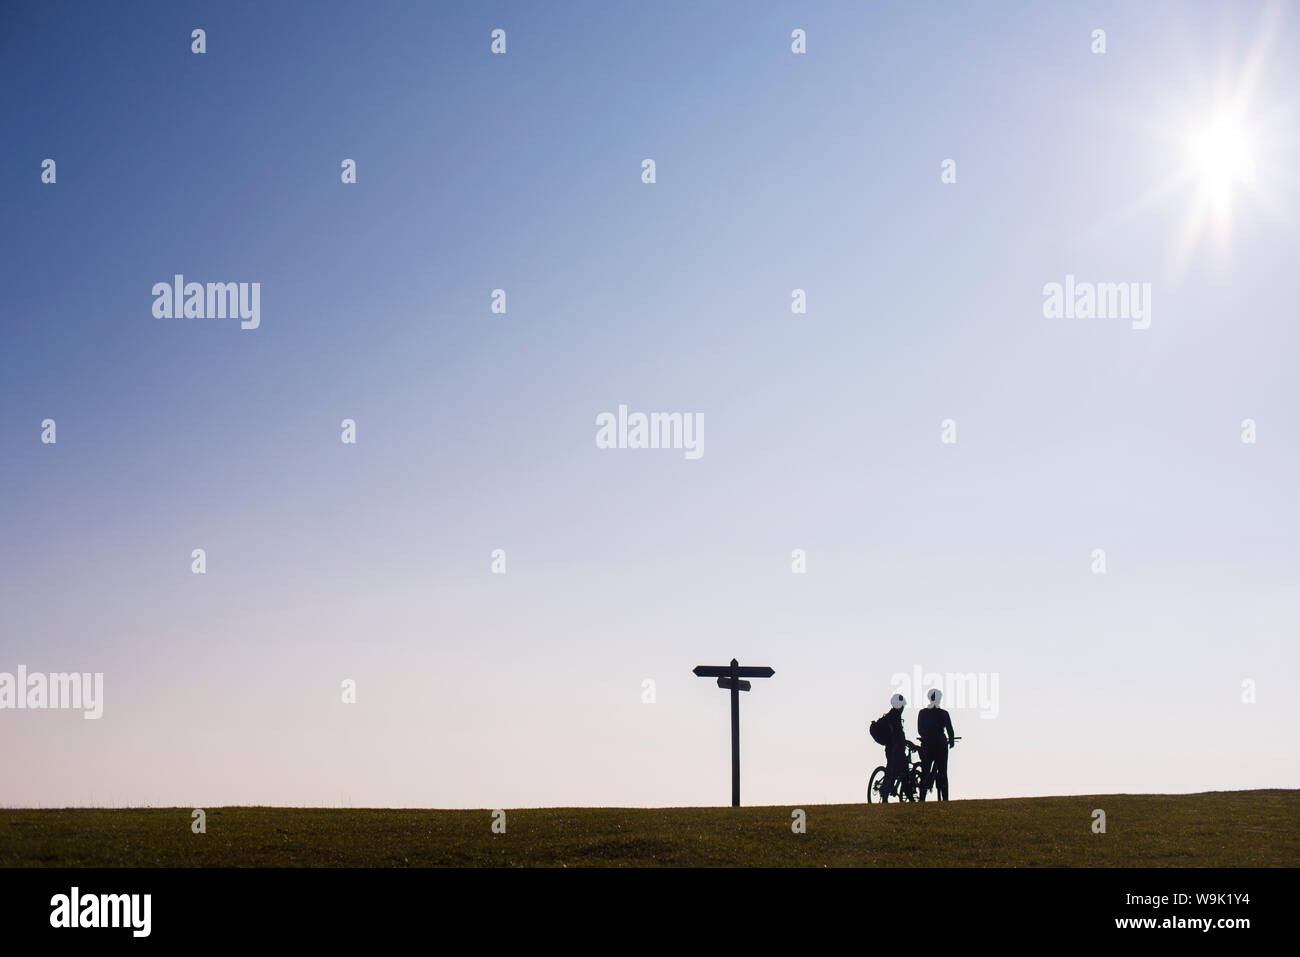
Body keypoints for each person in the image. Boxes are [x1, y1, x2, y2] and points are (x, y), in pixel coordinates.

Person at [917, 688, 956, 801]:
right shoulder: (944, 714)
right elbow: (950, 730)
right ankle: (945, 798)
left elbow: (920, 729)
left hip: (927, 744)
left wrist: (925, 737)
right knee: (943, 771)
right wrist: (951, 741)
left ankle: (922, 798)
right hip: (941, 744)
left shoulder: (923, 713)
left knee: (925, 770)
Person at [878, 693, 913, 802]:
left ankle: (887, 792)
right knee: (905, 772)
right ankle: (910, 797)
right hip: (896, 749)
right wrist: (909, 744)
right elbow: (899, 735)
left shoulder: (889, 716)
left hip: (890, 748)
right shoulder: (895, 717)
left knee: (892, 770)